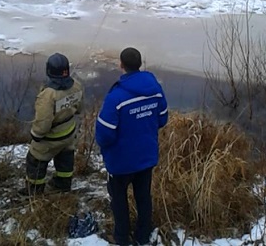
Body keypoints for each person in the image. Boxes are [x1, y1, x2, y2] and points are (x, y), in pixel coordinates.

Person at [95, 47, 168, 246]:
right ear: (140, 64)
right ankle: (142, 236)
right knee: (143, 196)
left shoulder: (116, 97)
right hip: (146, 157)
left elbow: (104, 134)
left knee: (118, 199)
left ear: (121, 65)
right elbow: (163, 118)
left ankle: (121, 238)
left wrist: (108, 149)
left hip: (121, 161)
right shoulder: (155, 89)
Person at [20, 53, 84, 196]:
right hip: (69, 134)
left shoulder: (48, 95)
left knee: (34, 160)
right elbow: (79, 108)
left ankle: (34, 192)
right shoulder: (77, 85)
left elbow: (43, 122)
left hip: (50, 139)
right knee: (65, 161)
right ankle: (62, 186)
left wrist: (36, 135)